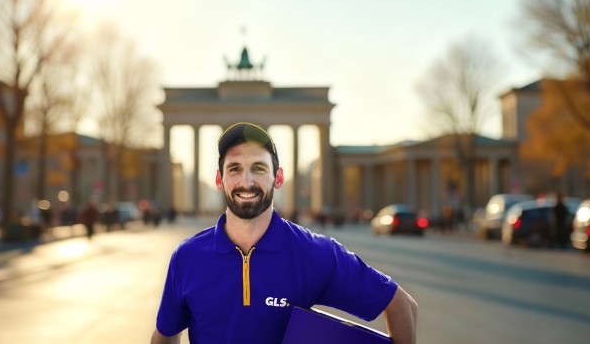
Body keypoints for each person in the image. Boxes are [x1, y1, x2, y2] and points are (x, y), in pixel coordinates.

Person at [151, 122, 418, 344]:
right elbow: (165, 335)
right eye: (234, 168)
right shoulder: (187, 256)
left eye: (259, 168)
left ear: (278, 177)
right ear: (220, 179)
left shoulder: (315, 252)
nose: (246, 181)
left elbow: (401, 305)